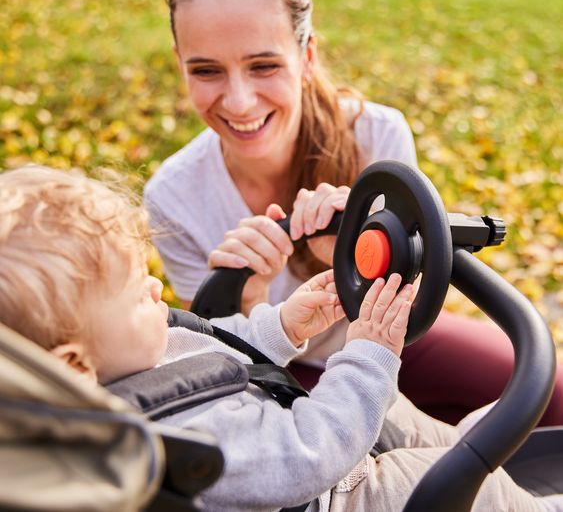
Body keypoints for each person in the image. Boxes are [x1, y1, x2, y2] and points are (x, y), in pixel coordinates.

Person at [144, 0, 563, 426]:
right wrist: (249, 300)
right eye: (206, 70)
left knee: (551, 393)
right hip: (274, 370)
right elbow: (216, 364)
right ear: (180, 63)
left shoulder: (378, 137)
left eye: (263, 66)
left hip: (389, 339)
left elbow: (410, 304)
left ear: (306, 55)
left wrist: (352, 258)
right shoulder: (172, 196)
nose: (239, 101)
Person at [2, 163, 562, 511]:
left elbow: (214, 346)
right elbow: (308, 455)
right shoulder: (172, 442)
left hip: (311, 430)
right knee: (444, 479)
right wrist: (366, 352)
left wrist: (286, 323)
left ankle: (477, 456)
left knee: (412, 421)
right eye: (134, 290)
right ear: (72, 366)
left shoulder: (128, 355)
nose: (155, 287)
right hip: (337, 493)